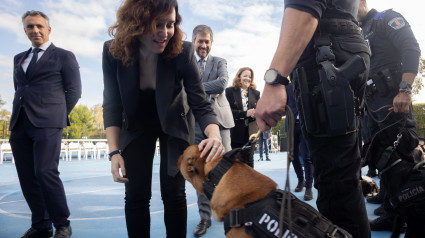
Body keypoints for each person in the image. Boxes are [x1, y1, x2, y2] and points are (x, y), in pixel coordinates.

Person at [102, 0, 224, 237]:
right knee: (136, 194)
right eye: (158, 24)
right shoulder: (112, 52)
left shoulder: (184, 51)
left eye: (171, 24)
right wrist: (114, 152)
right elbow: (112, 105)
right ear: (137, 22)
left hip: (174, 123)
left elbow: (199, 102)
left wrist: (215, 134)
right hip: (136, 125)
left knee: (174, 192)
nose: (166, 32)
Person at [255, 1, 371, 237]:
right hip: (336, 47)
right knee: (343, 183)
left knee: (336, 189)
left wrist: (275, 78)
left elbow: (306, 6)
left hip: (325, 51)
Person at [9, 10, 81, 238]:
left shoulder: (63, 56)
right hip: (20, 123)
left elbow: (74, 91)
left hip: (48, 123)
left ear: (48, 29)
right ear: (25, 30)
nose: (35, 30)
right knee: (27, 176)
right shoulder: (18, 58)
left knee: (45, 172)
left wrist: (57, 114)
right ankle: (41, 224)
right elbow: (20, 88)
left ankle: (62, 224)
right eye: (30, 27)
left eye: (39, 26)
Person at [357, 0, 420, 232]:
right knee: (383, 162)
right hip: (373, 106)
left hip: (394, 101)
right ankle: (391, 206)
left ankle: (409, 215)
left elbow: (411, 48)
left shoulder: (385, 18)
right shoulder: (360, 30)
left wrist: (405, 89)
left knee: (402, 159)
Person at [191, 24, 234, 237]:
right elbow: (179, 85)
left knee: (225, 168)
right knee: (200, 171)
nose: (204, 45)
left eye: (207, 41)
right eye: (200, 41)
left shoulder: (219, 62)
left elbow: (222, 83)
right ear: (193, 42)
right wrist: (206, 85)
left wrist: (192, 87)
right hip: (196, 123)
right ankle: (205, 217)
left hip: (221, 122)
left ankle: (230, 210)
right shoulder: (187, 63)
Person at [225, 67, 260, 168]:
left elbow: (259, 110)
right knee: (236, 161)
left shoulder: (256, 93)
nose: (248, 78)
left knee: (249, 160)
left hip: (251, 133)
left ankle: (250, 183)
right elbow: (228, 112)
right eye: (245, 75)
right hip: (235, 132)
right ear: (239, 77)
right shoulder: (230, 91)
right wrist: (245, 113)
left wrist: (256, 113)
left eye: (250, 77)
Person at [285, 83, 314, 201]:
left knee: (307, 157)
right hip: (291, 125)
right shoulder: (287, 87)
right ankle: (300, 180)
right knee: (293, 156)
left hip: (306, 125)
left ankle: (308, 187)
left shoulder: (309, 82)